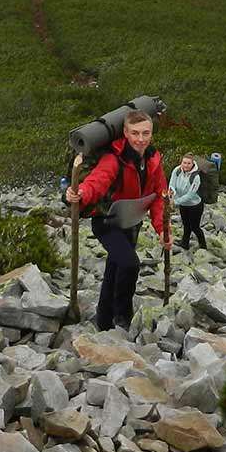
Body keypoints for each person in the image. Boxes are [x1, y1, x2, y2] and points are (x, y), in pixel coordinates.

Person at [65, 109, 170, 331]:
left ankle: (103, 323)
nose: (140, 139)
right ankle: (123, 316)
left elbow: (159, 197)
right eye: (135, 133)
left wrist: (163, 230)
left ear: (152, 133)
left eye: (145, 133)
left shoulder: (153, 159)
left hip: (132, 220)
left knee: (114, 270)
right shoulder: (114, 158)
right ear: (124, 132)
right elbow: (97, 181)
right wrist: (81, 193)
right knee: (129, 264)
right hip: (107, 221)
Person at [170, 153, 208, 250]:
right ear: (181, 162)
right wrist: (171, 195)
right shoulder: (177, 171)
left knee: (195, 227)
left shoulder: (196, 177)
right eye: (184, 162)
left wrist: (176, 202)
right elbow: (171, 185)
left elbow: (191, 195)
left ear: (192, 164)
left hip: (195, 205)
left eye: (188, 163)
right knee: (186, 225)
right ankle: (185, 243)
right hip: (183, 204)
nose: (186, 165)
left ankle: (203, 245)